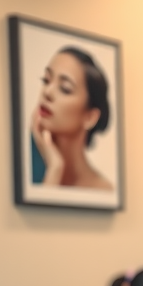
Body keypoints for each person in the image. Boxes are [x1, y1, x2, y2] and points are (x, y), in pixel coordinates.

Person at [31, 46, 113, 190]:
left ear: (90, 117)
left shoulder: (104, 190)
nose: (47, 92)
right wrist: (55, 168)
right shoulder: (27, 170)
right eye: (46, 80)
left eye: (65, 88)